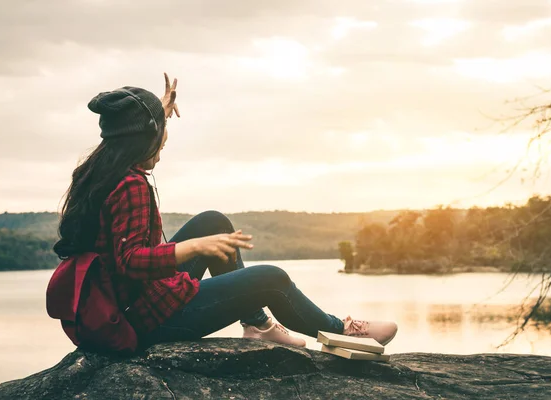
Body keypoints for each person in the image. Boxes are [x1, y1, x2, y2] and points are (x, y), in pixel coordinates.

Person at [53, 73, 398, 349]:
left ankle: (257, 325)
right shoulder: (131, 185)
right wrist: (193, 248)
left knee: (213, 221)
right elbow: (129, 261)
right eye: (161, 135)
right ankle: (342, 331)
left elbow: (120, 259)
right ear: (142, 138)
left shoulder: (99, 170)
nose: (163, 146)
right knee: (271, 279)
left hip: (129, 304)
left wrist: (157, 110)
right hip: (146, 321)